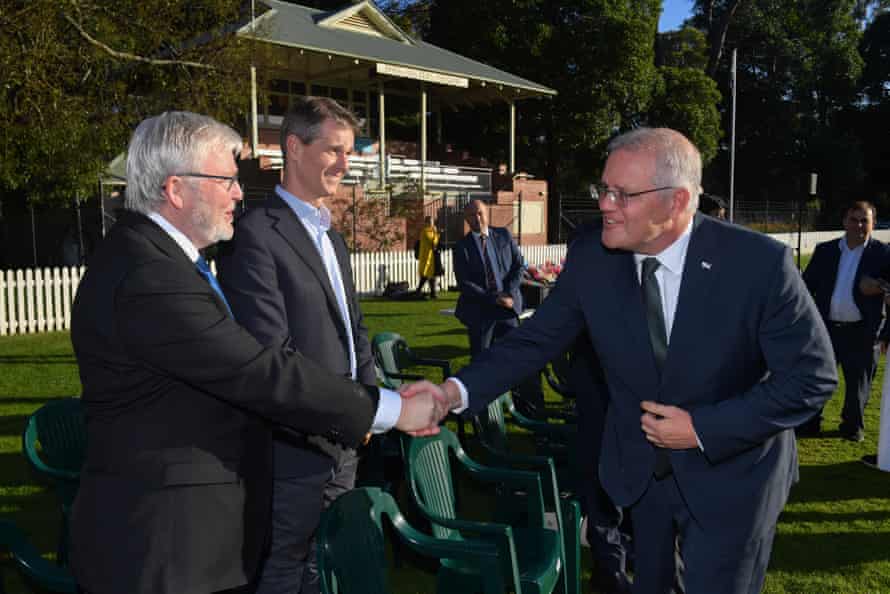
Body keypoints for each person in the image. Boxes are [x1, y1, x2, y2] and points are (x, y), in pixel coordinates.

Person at [404, 127, 837, 594]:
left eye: (622, 194)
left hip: (736, 476)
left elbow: (811, 378)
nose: (605, 204)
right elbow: (533, 342)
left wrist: (701, 429)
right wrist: (452, 393)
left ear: (677, 202)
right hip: (641, 475)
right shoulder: (593, 256)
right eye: (603, 189)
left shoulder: (758, 264)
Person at [68, 111, 441, 594]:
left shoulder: (162, 261)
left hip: (187, 538)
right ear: (177, 190)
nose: (240, 193)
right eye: (226, 180)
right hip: (164, 548)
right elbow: (257, 370)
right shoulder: (149, 275)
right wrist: (390, 409)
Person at [216, 96, 379, 594]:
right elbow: (272, 352)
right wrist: (349, 411)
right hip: (294, 445)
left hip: (348, 437)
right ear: (293, 146)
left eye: (350, 153)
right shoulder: (254, 236)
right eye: (334, 150)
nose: (345, 165)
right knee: (284, 566)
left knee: (322, 563)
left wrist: (368, 402)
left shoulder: (333, 237)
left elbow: (354, 328)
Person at [800, 201, 890, 441]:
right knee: (817, 379)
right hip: (825, 329)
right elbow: (806, 287)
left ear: (873, 224)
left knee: (858, 385)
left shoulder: (883, 253)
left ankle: (852, 428)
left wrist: (879, 286)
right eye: (854, 219)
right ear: (844, 222)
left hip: (863, 331)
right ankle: (809, 424)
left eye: (865, 220)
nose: (859, 225)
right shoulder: (825, 250)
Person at [452, 199, 523, 358]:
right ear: (466, 219)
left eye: (480, 213)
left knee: (516, 358)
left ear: (487, 214)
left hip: (507, 309)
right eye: (471, 215)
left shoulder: (504, 235)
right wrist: (494, 298)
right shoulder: (461, 247)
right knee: (482, 362)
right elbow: (464, 283)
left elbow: (518, 266)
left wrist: (509, 293)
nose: (477, 218)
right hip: (481, 312)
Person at [415, 215, 439, 298]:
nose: (432, 224)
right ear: (426, 223)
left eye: (432, 222)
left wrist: (435, 233)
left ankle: (432, 293)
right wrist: (436, 233)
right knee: (426, 274)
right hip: (426, 257)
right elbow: (433, 242)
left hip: (430, 257)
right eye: (430, 222)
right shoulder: (425, 231)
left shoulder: (431, 231)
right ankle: (419, 290)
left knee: (431, 274)